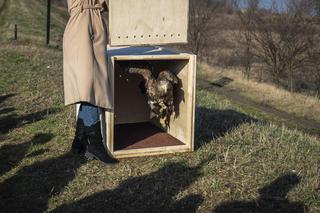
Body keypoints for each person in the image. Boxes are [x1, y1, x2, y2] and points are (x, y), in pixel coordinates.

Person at [63, 0, 117, 164]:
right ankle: (94, 142)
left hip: (97, 22)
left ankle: (79, 141)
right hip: (81, 24)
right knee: (89, 86)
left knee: (93, 85)